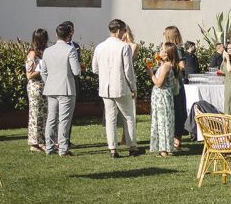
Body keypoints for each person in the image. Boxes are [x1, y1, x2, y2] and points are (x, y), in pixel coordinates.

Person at [91, 19, 139, 158]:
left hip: (105, 87)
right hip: (121, 86)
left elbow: (94, 68)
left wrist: (106, 73)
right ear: (118, 30)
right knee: (129, 116)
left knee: (110, 118)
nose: (124, 34)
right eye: (124, 31)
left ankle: (113, 149)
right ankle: (132, 146)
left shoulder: (100, 47)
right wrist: (133, 87)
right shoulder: (124, 47)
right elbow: (128, 70)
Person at [42, 21, 81, 157]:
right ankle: (63, 148)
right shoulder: (70, 49)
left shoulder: (47, 50)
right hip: (66, 88)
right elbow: (76, 71)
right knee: (64, 119)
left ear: (56, 34)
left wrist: (49, 83)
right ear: (68, 35)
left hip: (51, 88)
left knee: (51, 119)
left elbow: (43, 72)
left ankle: (49, 147)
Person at [148, 42, 178, 156]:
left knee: (163, 121)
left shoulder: (166, 66)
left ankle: (164, 150)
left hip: (162, 96)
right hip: (162, 96)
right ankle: (165, 148)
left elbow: (159, 83)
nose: (159, 51)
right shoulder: (166, 64)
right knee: (164, 121)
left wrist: (151, 74)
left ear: (167, 54)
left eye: (162, 49)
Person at [24, 28, 49, 153]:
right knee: (35, 115)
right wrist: (41, 70)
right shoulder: (32, 54)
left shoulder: (43, 52)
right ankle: (35, 143)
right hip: (35, 87)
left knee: (43, 115)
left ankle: (42, 140)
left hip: (44, 86)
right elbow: (29, 75)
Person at [163, 26, 188, 149]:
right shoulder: (174, 48)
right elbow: (181, 66)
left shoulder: (170, 49)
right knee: (176, 110)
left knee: (174, 110)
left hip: (172, 83)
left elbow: (181, 66)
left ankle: (175, 139)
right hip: (175, 82)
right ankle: (175, 139)